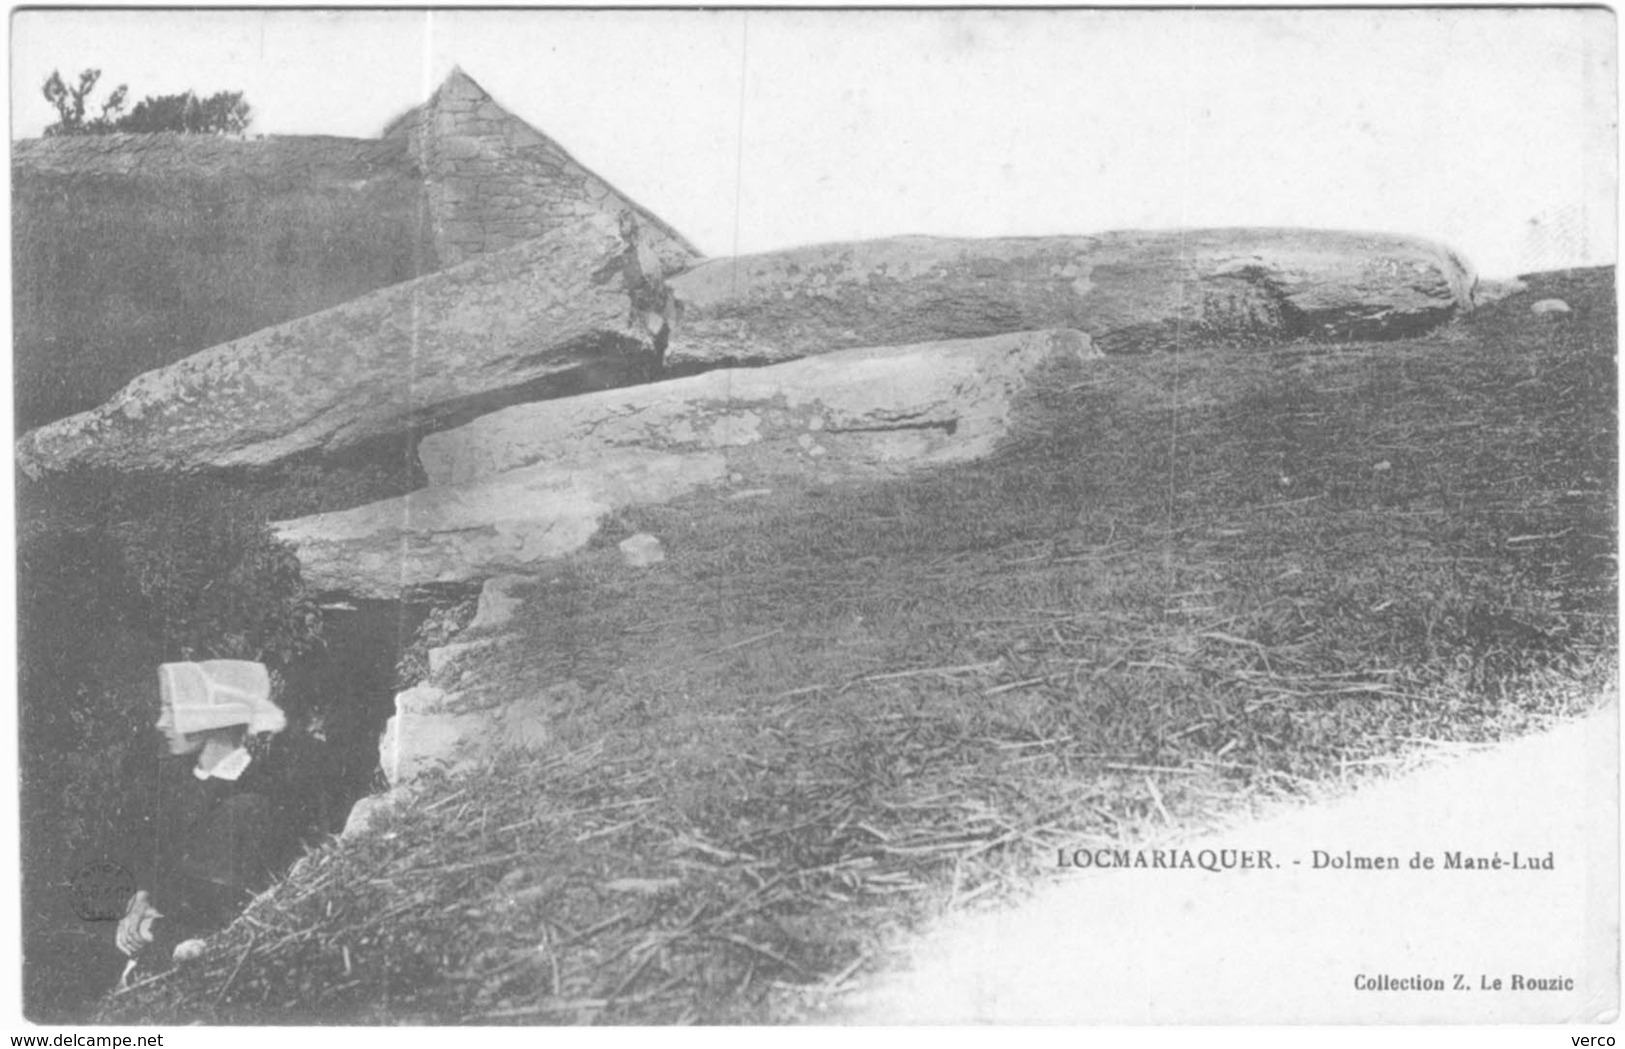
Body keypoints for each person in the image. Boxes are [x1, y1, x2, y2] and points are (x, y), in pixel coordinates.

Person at [113, 660, 288, 969]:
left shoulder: (251, 801)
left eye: (172, 709)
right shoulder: (178, 784)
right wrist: (140, 898)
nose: (160, 724)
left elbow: (222, 917)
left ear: (211, 717)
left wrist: (150, 930)